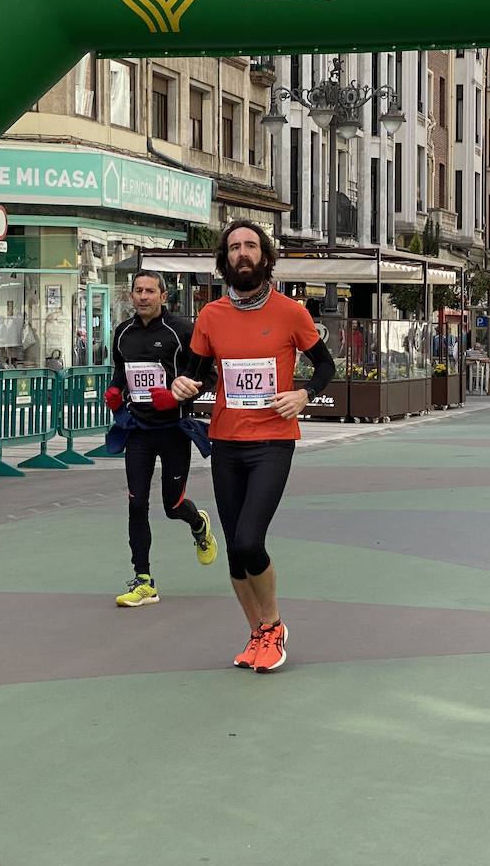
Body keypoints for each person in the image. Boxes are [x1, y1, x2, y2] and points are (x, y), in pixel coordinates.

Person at [171, 220, 335, 673]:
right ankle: (257, 632)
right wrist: (184, 384)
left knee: (248, 539)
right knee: (234, 549)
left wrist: (303, 394)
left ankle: (275, 625)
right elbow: (197, 372)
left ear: (264, 256)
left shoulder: (290, 312)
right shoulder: (210, 316)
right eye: (234, 247)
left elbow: (325, 363)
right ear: (225, 260)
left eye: (251, 246)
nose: (243, 253)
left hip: (272, 441)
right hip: (225, 441)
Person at [104, 270, 219, 608]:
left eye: (150, 291)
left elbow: (208, 374)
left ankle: (198, 524)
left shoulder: (181, 331)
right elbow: (119, 370)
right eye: (137, 290)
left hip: (173, 430)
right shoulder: (122, 333)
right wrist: (115, 390)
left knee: (172, 505)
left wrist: (179, 396)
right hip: (138, 430)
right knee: (136, 503)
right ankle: (144, 580)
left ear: (163, 296)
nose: (142, 296)